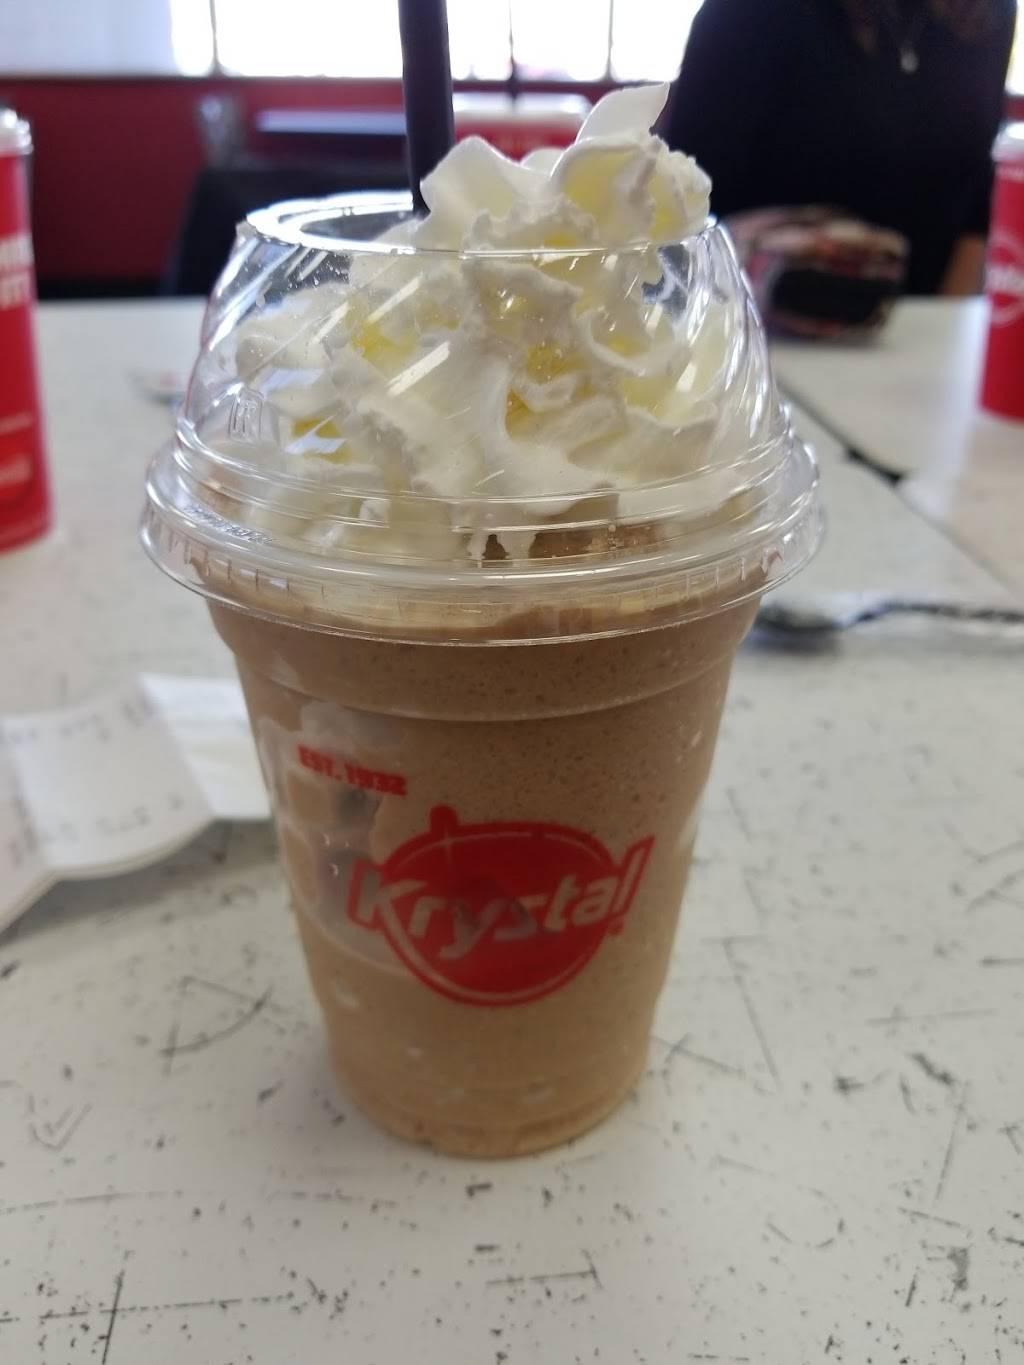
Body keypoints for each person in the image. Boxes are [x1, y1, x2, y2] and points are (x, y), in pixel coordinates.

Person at [661, 0, 1017, 294]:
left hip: (927, 330)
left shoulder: (988, 12)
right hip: (766, 330)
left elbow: (977, 197)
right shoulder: (746, 13)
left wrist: (948, 330)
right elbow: (681, 209)